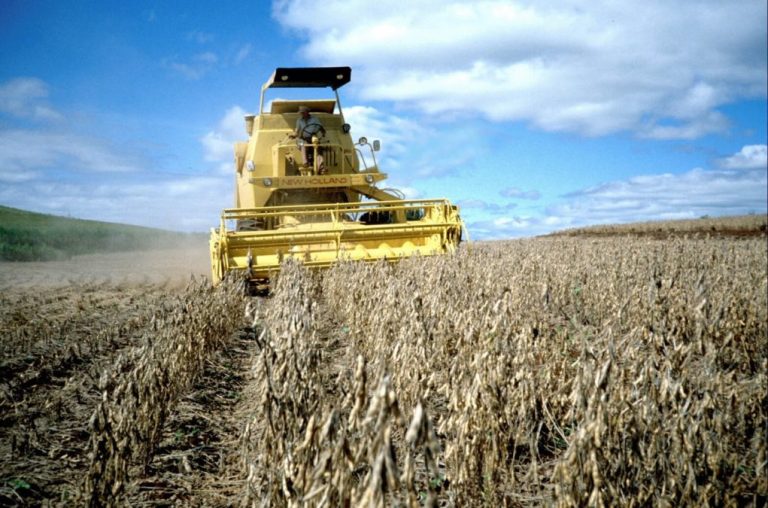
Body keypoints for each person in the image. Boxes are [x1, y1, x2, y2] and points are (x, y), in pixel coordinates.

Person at [289, 105, 326, 170]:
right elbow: (297, 131)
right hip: (302, 138)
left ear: (307, 112)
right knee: (302, 143)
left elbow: (320, 126)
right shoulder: (299, 120)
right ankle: (305, 163)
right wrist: (293, 135)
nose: (302, 114)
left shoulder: (314, 119)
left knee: (318, 147)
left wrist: (323, 131)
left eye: (303, 112)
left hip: (312, 137)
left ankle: (321, 166)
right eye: (301, 113)